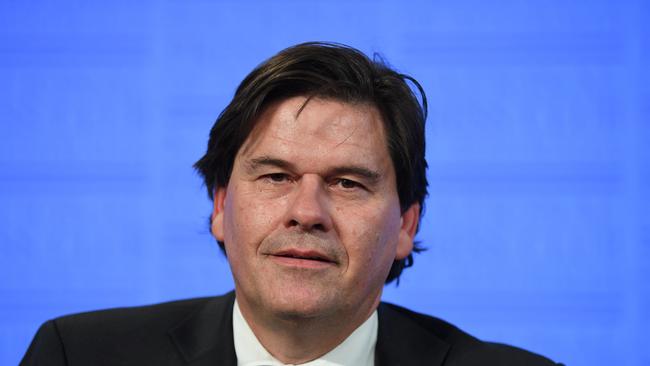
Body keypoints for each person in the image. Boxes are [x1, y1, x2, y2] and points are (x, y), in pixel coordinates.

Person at [21, 42, 562, 366]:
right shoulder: (78, 355)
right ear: (220, 207)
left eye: (348, 183)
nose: (307, 211)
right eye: (276, 176)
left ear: (406, 223)